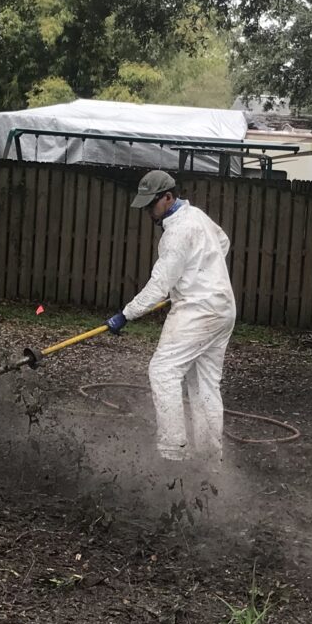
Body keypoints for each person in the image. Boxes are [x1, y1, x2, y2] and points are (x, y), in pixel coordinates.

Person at [105, 168, 236, 464]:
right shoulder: (198, 217)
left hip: (197, 310)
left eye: (152, 205)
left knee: (163, 370)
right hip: (222, 308)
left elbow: (159, 286)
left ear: (168, 197)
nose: (149, 212)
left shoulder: (176, 233)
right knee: (204, 384)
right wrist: (199, 273)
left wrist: (125, 315)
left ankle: (172, 453)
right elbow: (223, 242)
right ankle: (209, 460)